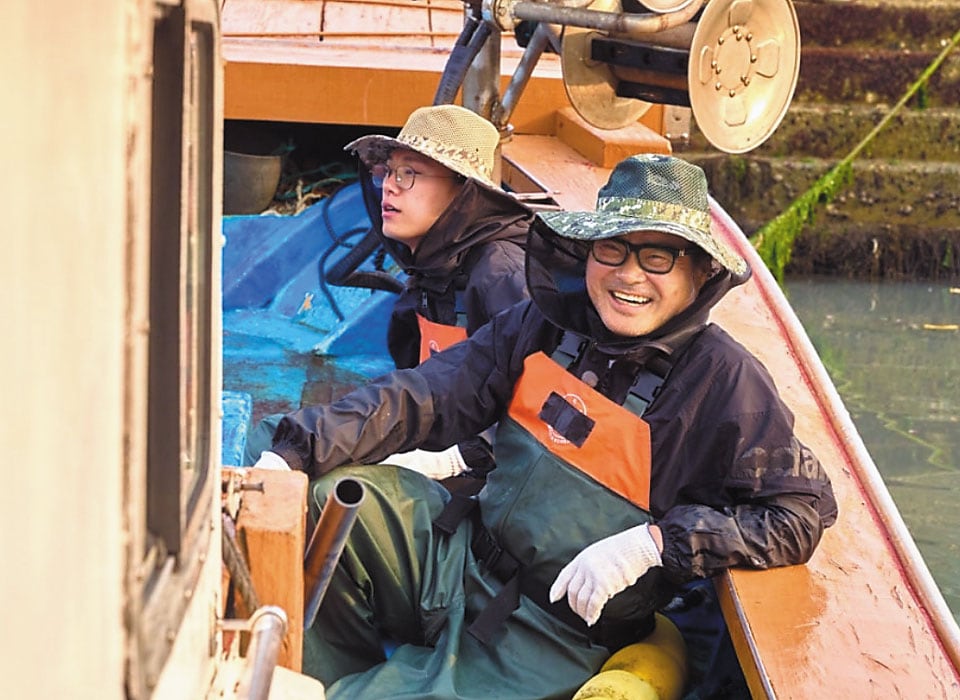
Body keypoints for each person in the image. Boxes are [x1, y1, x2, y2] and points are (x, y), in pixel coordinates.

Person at [255, 154, 838, 699]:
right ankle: (328, 674)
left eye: (658, 257)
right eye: (612, 249)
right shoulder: (546, 321)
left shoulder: (725, 382)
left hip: (552, 634)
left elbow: (798, 514)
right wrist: (295, 450)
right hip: (459, 557)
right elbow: (428, 392)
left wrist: (658, 544)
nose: (629, 276)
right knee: (333, 503)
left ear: (701, 271)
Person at [244, 104, 535, 480]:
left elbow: (529, 419)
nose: (389, 186)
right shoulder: (431, 268)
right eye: (388, 171)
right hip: (434, 429)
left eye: (409, 173)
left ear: (464, 192)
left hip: (487, 474)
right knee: (275, 437)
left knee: (334, 485)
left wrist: (456, 458)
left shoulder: (503, 274)